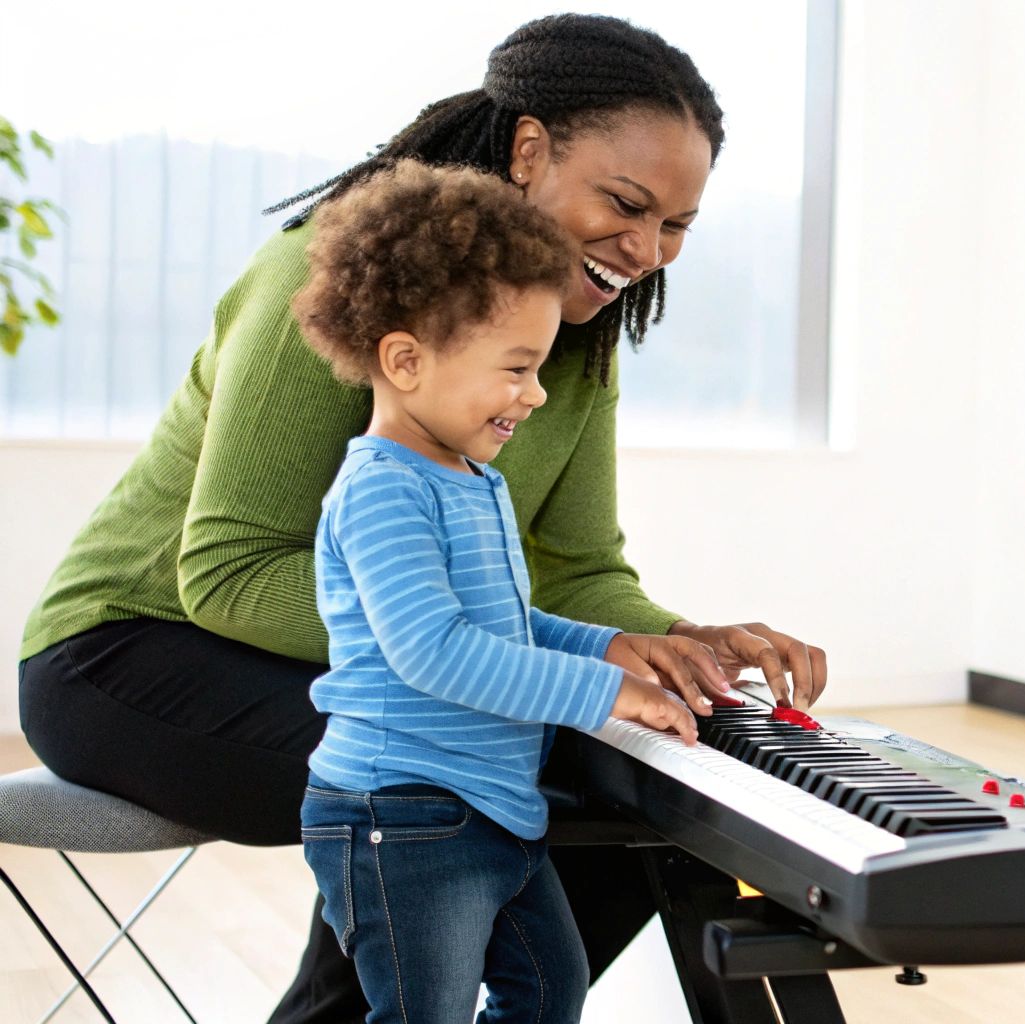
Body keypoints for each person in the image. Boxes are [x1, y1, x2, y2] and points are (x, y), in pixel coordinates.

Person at [15, 14, 826, 1022]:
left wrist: (664, 644)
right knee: (471, 774)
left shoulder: (563, 344)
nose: (647, 249)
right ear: (529, 149)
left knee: (636, 772)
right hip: (130, 659)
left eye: (675, 225)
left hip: (352, 653)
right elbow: (224, 571)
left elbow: (574, 562)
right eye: (625, 203)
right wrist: (511, 659)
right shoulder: (338, 284)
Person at [293, 159, 699, 1022]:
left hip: (487, 806)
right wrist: (601, 693)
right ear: (405, 360)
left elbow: (506, 625)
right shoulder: (383, 488)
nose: (537, 393)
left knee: (551, 988)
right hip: (399, 815)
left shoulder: (471, 478)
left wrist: (603, 644)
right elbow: (434, 651)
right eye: (515, 368)